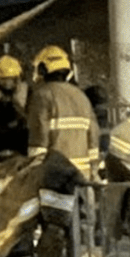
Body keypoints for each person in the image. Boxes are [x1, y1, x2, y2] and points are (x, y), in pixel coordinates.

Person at [26, 45, 100, 179]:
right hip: (82, 173)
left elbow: (39, 133)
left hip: (55, 174)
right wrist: (94, 169)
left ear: (42, 69)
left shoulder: (42, 95)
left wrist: (33, 168)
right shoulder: (81, 96)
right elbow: (93, 134)